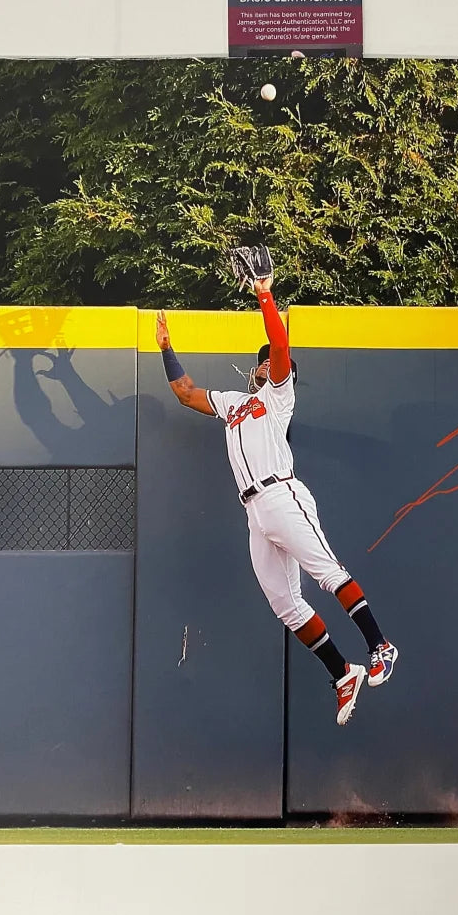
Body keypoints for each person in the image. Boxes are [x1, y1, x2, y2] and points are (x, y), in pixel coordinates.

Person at [155, 275, 398, 725]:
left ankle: (380, 645)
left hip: (281, 492)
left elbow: (279, 346)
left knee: (327, 573)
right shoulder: (232, 402)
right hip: (253, 510)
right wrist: (167, 348)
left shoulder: (278, 397)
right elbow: (186, 393)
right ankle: (344, 673)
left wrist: (264, 295)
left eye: (273, 361)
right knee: (286, 606)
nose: (267, 364)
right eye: (262, 362)